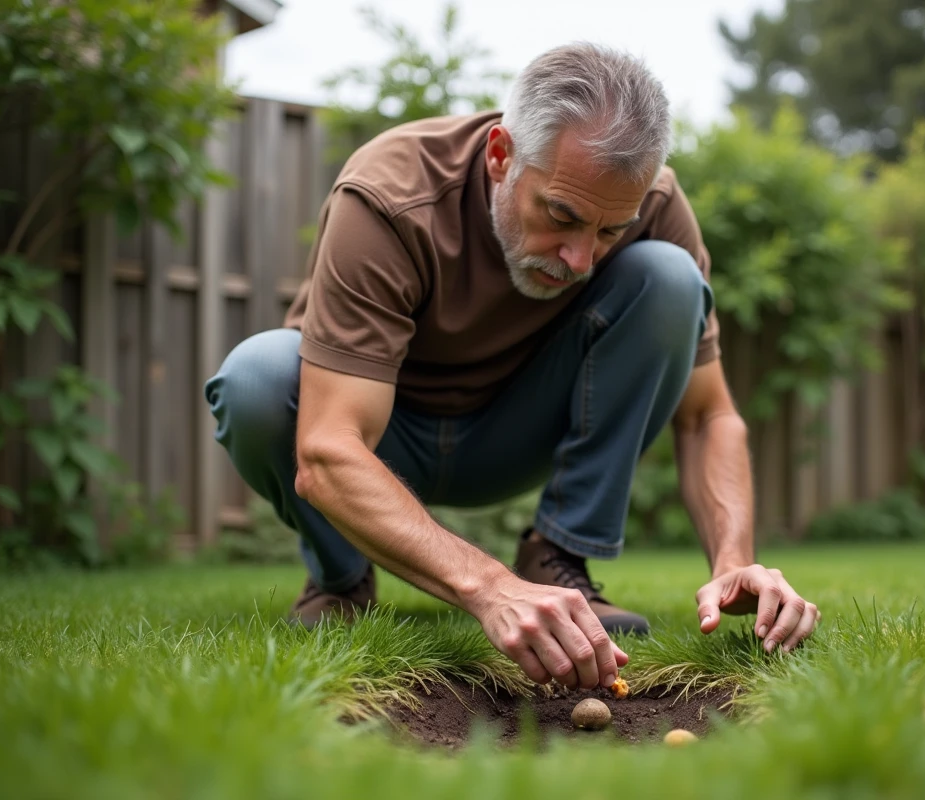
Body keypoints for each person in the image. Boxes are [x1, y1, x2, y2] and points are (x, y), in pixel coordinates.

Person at [204, 42, 819, 692]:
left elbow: (707, 416)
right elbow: (328, 449)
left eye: (610, 232)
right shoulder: (388, 191)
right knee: (257, 378)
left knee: (670, 275)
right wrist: (492, 589)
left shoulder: (658, 209)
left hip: (517, 431)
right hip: (381, 440)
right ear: (501, 156)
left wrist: (733, 563)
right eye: (561, 215)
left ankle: (560, 558)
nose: (581, 259)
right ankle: (341, 577)